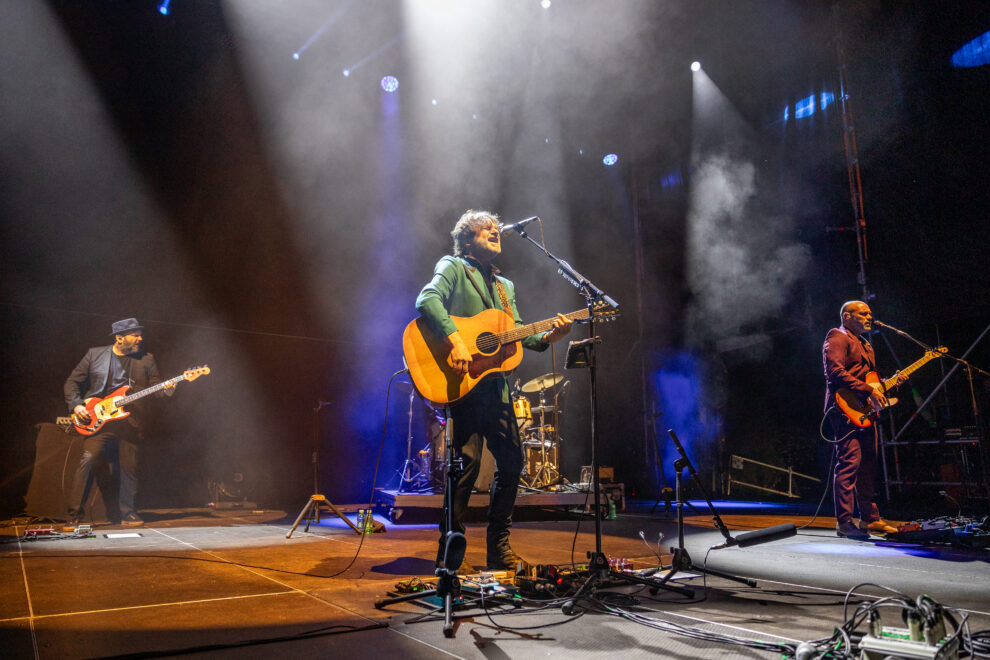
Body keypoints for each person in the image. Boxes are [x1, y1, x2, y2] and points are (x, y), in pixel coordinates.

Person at [416, 210, 573, 569]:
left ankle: (498, 547)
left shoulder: (506, 287)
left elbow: (517, 332)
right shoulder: (453, 266)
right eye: (484, 227)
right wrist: (456, 341)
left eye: (495, 227)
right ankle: (450, 551)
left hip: (499, 389)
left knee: (513, 462)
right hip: (465, 384)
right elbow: (427, 300)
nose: (494, 230)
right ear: (467, 239)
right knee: (466, 466)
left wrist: (548, 336)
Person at [64, 318, 174, 525]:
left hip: (130, 423)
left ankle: (128, 513)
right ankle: (74, 516)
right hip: (98, 419)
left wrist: (167, 389)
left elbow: (156, 386)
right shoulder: (94, 354)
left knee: (129, 467)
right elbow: (72, 383)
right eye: (135, 334)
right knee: (88, 459)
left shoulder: (147, 359)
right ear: (119, 338)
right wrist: (77, 406)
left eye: (140, 334)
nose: (140, 338)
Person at [822, 301, 902, 538]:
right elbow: (834, 372)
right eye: (863, 313)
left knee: (868, 464)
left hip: (865, 411)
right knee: (849, 464)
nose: (870, 316)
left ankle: (870, 519)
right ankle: (844, 522)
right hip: (844, 410)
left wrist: (886, 384)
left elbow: (866, 379)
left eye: (870, 313)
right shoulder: (837, 336)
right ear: (847, 316)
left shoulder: (866, 344)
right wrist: (868, 390)